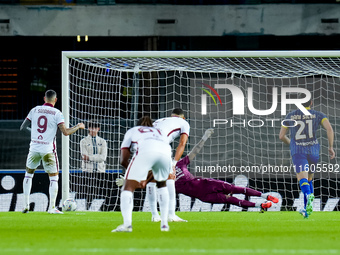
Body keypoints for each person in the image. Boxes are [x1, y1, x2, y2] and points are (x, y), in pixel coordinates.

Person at [174, 128, 278, 210]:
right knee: (230, 200)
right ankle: (260, 205)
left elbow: (194, 152)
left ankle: (265, 196)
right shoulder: (164, 179)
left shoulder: (179, 164)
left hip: (207, 184)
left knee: (234, 189)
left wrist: (204, 138)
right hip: (203, 196)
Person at [20, 89, 85, 214]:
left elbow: (22, 127)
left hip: (34, 148)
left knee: (28, 174)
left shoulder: (34, 110)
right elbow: (65, 132)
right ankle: (52, 208)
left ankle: (25, 206)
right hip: (48, 150)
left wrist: (34, 135)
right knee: (54, 178)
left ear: (44, 98)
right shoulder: (57, 113)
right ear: (55, 100)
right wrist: (78, 126)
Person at [112, 116, 172, 232]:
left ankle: (127, 225)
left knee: (127, 188)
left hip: (146, 151)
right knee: (162, 184)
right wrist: (144, 178)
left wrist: (133, 177)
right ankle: (164, 225)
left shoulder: (133, 131)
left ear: (138, 125)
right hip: (166, 153)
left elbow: (123, 160)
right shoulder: (159, 132)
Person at [279, 97, 335, 218]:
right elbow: (329, 129)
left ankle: (309, 195)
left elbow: (281, 136)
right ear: (311, 102)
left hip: (299, 150)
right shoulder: (318, 114)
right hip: (314, 150)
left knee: (301, 179)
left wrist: (292, 144)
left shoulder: (291, 115)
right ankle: (307, 211)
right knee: (309, 179)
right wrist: (330, 147)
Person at [146, 108, 190, 222]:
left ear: (172, 116)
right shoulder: (184, 122)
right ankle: (171, 215)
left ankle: (155, 216)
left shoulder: (159, 121)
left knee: (151, 179)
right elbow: (182, 143)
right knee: (170, 178)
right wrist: (174, 163)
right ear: (182, 117)